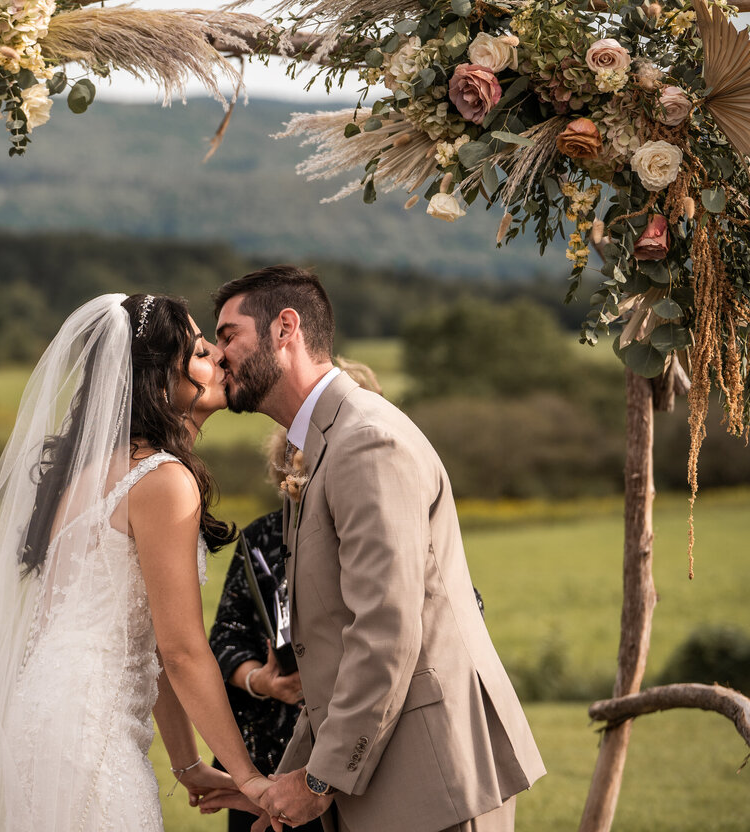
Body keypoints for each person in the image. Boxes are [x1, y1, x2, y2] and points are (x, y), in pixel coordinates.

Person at [0, 293, 274, 831]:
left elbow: (148, 646)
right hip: (86, 734)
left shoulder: (86, 475)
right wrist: (248, 776)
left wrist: (190, 765)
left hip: (41, 715)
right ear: (156, 379)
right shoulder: (163, 480)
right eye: (199, 353)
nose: (219, 358)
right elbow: (182, 651)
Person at [212, 267, 546, 832]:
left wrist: (321, 780)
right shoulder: (320, 446)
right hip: (392, 778)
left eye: (228, 335)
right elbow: (331, 649)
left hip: (432, 778)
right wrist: (276, 784)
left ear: (284, 329)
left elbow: (386, 627)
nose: (219, 357)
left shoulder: (365, 441)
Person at [204, 360, 386, 832]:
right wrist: (265, 682)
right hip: (273, 749)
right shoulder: (263, 537)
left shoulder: (389, 520)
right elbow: (224, 638)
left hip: (369, 747)